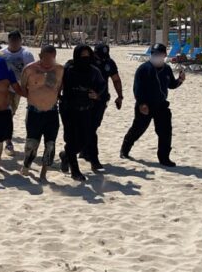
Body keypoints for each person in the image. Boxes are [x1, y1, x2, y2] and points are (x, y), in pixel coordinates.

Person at [120, 43, 185, 167]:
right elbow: (137, 89)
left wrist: (180, 80)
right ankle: (125, 149)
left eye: (159, 54)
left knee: (165, 131)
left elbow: (171, 85)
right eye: (154, 54)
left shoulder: (166, 69)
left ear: (165, 55)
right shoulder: (143, 69)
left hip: (161, 105)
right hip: (145, 106)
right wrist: (141, 104)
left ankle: (164, 157)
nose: (157, 56)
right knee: (138, 129)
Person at [59, 45, 105, 181]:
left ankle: (65, 155)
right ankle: (75, 170)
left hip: (86, 109)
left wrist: (97, 95)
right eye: (82, 56)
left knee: (84, 140)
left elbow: (102, 86)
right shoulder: (68, 69)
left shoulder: (94, 71)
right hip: (68, 109)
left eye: (87, 56)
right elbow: (57, 83)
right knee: (70, 139)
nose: (85, 59)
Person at [20, 45, 64, 181]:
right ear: (40, 56)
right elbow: (23, 88)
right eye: (46, 58)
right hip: (34, 112)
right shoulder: (29, 69)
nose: (48, 62)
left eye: (52, 58)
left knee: (50, 144)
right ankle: (26, 165)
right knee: (32, 143)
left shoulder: (59, 69)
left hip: (52, 112)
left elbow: (59, 88)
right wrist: (34, 99)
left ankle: (44, 172)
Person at [82, 43, 123, 171]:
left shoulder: (109, 63)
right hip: (85, 99)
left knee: (94, 126)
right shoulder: (87, 61)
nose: (102, 59)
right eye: (100, 56)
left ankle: (85, 150)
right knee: (88, 127)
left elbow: (115, 79)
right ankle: (90, 155)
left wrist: (120, 96)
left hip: (101, 99)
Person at [0, 30, 35, 154]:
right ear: (8, 41)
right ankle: (8, 142)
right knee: (6, 114)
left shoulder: (27, 54)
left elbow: (32, 73)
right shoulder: (2, 53)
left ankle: (5, 136)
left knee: (11, 114)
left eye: (17, 41)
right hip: (4, 89)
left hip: (19, 89)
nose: (14, 44)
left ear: (20, 41)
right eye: (12, 41)